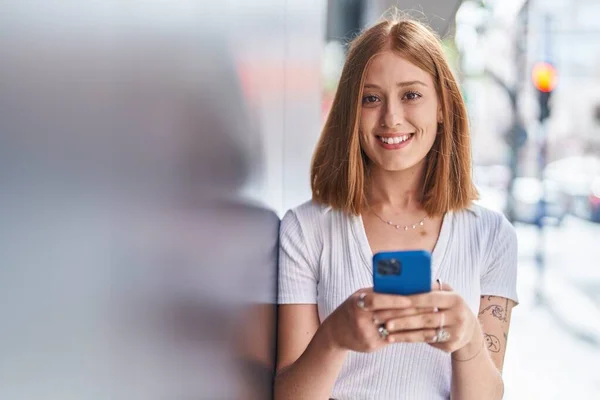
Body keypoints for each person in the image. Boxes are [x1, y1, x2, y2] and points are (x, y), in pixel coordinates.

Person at [274, 15, 518, 400]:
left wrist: (468, 338)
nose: (391, 118)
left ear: (443, 106)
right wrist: (335, 336)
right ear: (351, 113)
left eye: (411, 95)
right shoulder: (305, 230)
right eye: (371, 98)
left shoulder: (491, 236)